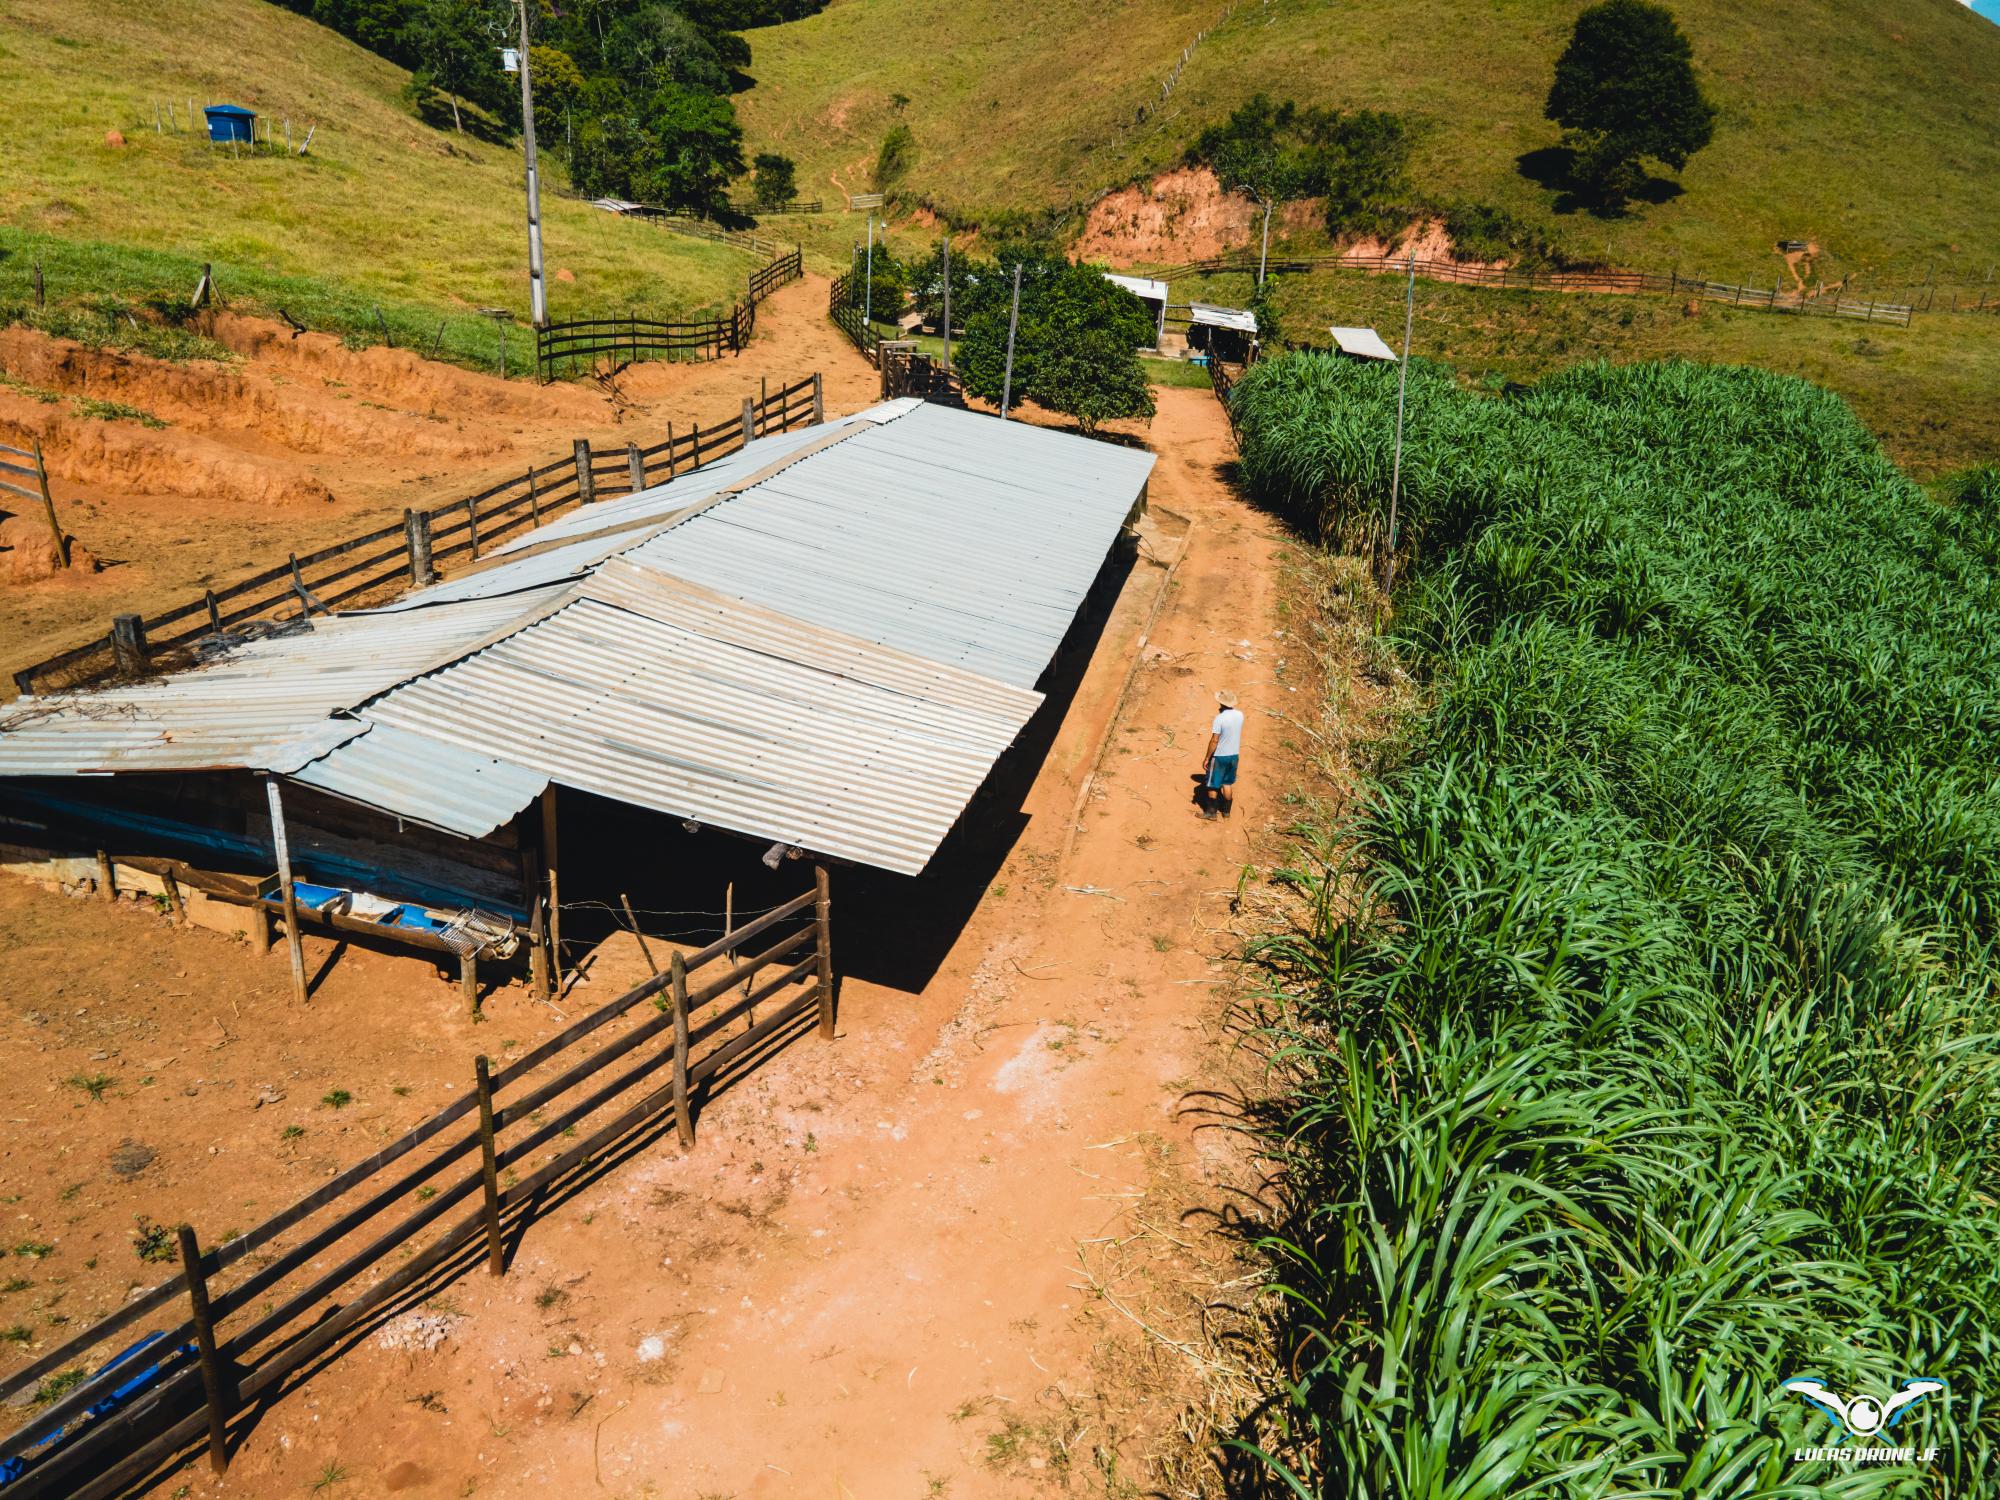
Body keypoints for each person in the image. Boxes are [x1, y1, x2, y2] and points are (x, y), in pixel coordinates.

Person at [1200, 689, 1244, 819]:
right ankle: (1226, 812)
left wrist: (1207, 758)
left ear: (1220, 703)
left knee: (1213, 784)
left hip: (1220, 756)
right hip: (1234, 755)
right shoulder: (1240, 715)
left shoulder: (1219, 718)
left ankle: (1211, 812)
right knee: (1227, 783)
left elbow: (1214, 740)